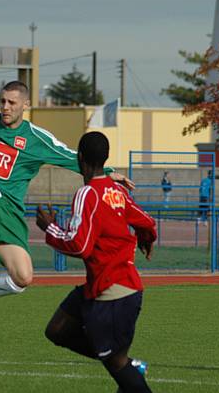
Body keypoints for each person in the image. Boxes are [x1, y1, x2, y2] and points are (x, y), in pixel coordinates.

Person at [0, 80, 134, 334]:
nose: (5, 107)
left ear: (26, 105)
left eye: (12, 103)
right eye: (2, 101)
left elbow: (71, 157)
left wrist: (108, 173)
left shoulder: (37, 138)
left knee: (23, 277)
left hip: (8, 214)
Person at [36, 131, 156, 393]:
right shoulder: (118, 192)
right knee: (56, 330)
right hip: (100, 286)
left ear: (80, 158)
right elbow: (146, 221)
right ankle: (125, 362)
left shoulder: (87, 193)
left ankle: (127, 365)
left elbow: (80, 245)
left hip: (114, 293)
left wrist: (50, 228)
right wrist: (147, 238)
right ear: (105, 158)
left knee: (117, 365)